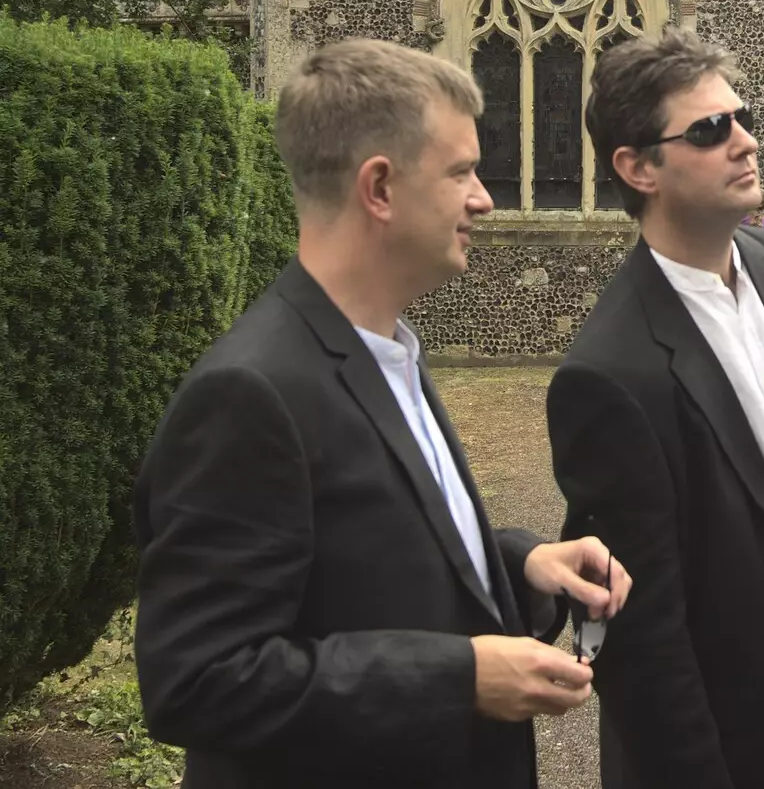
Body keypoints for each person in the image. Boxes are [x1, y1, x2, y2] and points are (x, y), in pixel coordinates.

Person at [133, 39, 632, 789]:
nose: (484, 196)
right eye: (462, 171)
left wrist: (522, 564)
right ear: (379, 189)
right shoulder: (249, 394)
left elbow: (365, 557)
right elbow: (197, 678)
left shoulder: (386, 349)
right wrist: (458, 676)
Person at [545, 27, 764, 789]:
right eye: (711, 130)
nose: (745, 141)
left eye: (742, 117)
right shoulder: (608, 373)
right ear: (638, 167)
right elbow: (641, 642)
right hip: (710, 745)